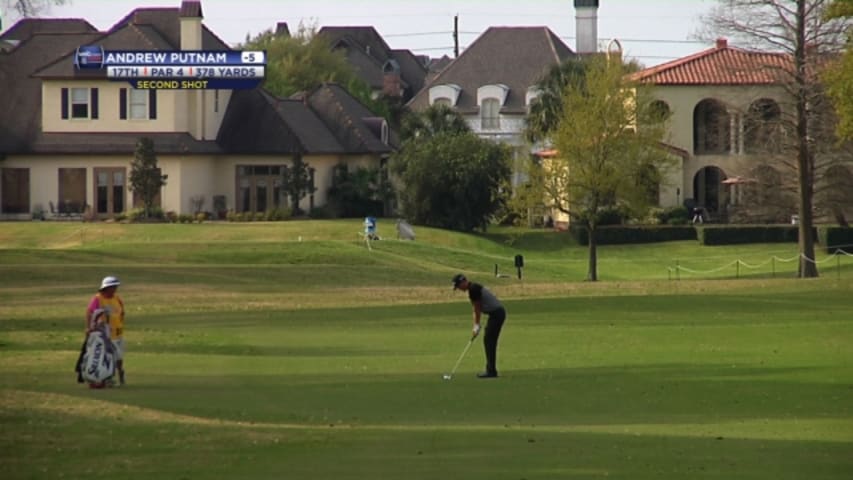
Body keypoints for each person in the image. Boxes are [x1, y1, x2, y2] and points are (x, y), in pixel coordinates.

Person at [452, 273, 506, 378]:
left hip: (497, 314)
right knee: (488, 340)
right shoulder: (473, 288)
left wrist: (476, 325)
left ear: (464, 282)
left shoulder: (473, 289)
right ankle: (491, 370)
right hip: (495, 314)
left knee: (489, 340)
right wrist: (476, 325)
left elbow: (477, 309)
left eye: (459, 286)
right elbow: (476, 309)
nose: (459, 288)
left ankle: (491, 371)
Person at [86, 276, 126, 386]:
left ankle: (120, 373)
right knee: (108, 356)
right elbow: (89, 312)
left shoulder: (117, 298)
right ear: (106, 288)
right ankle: (107, 377)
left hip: (118, 333)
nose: (114, 289)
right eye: (112, 287)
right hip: (105, 334)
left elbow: (122, 312)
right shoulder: (98, 299)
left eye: (115, 287)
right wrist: (89, 327)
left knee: (119, 357)